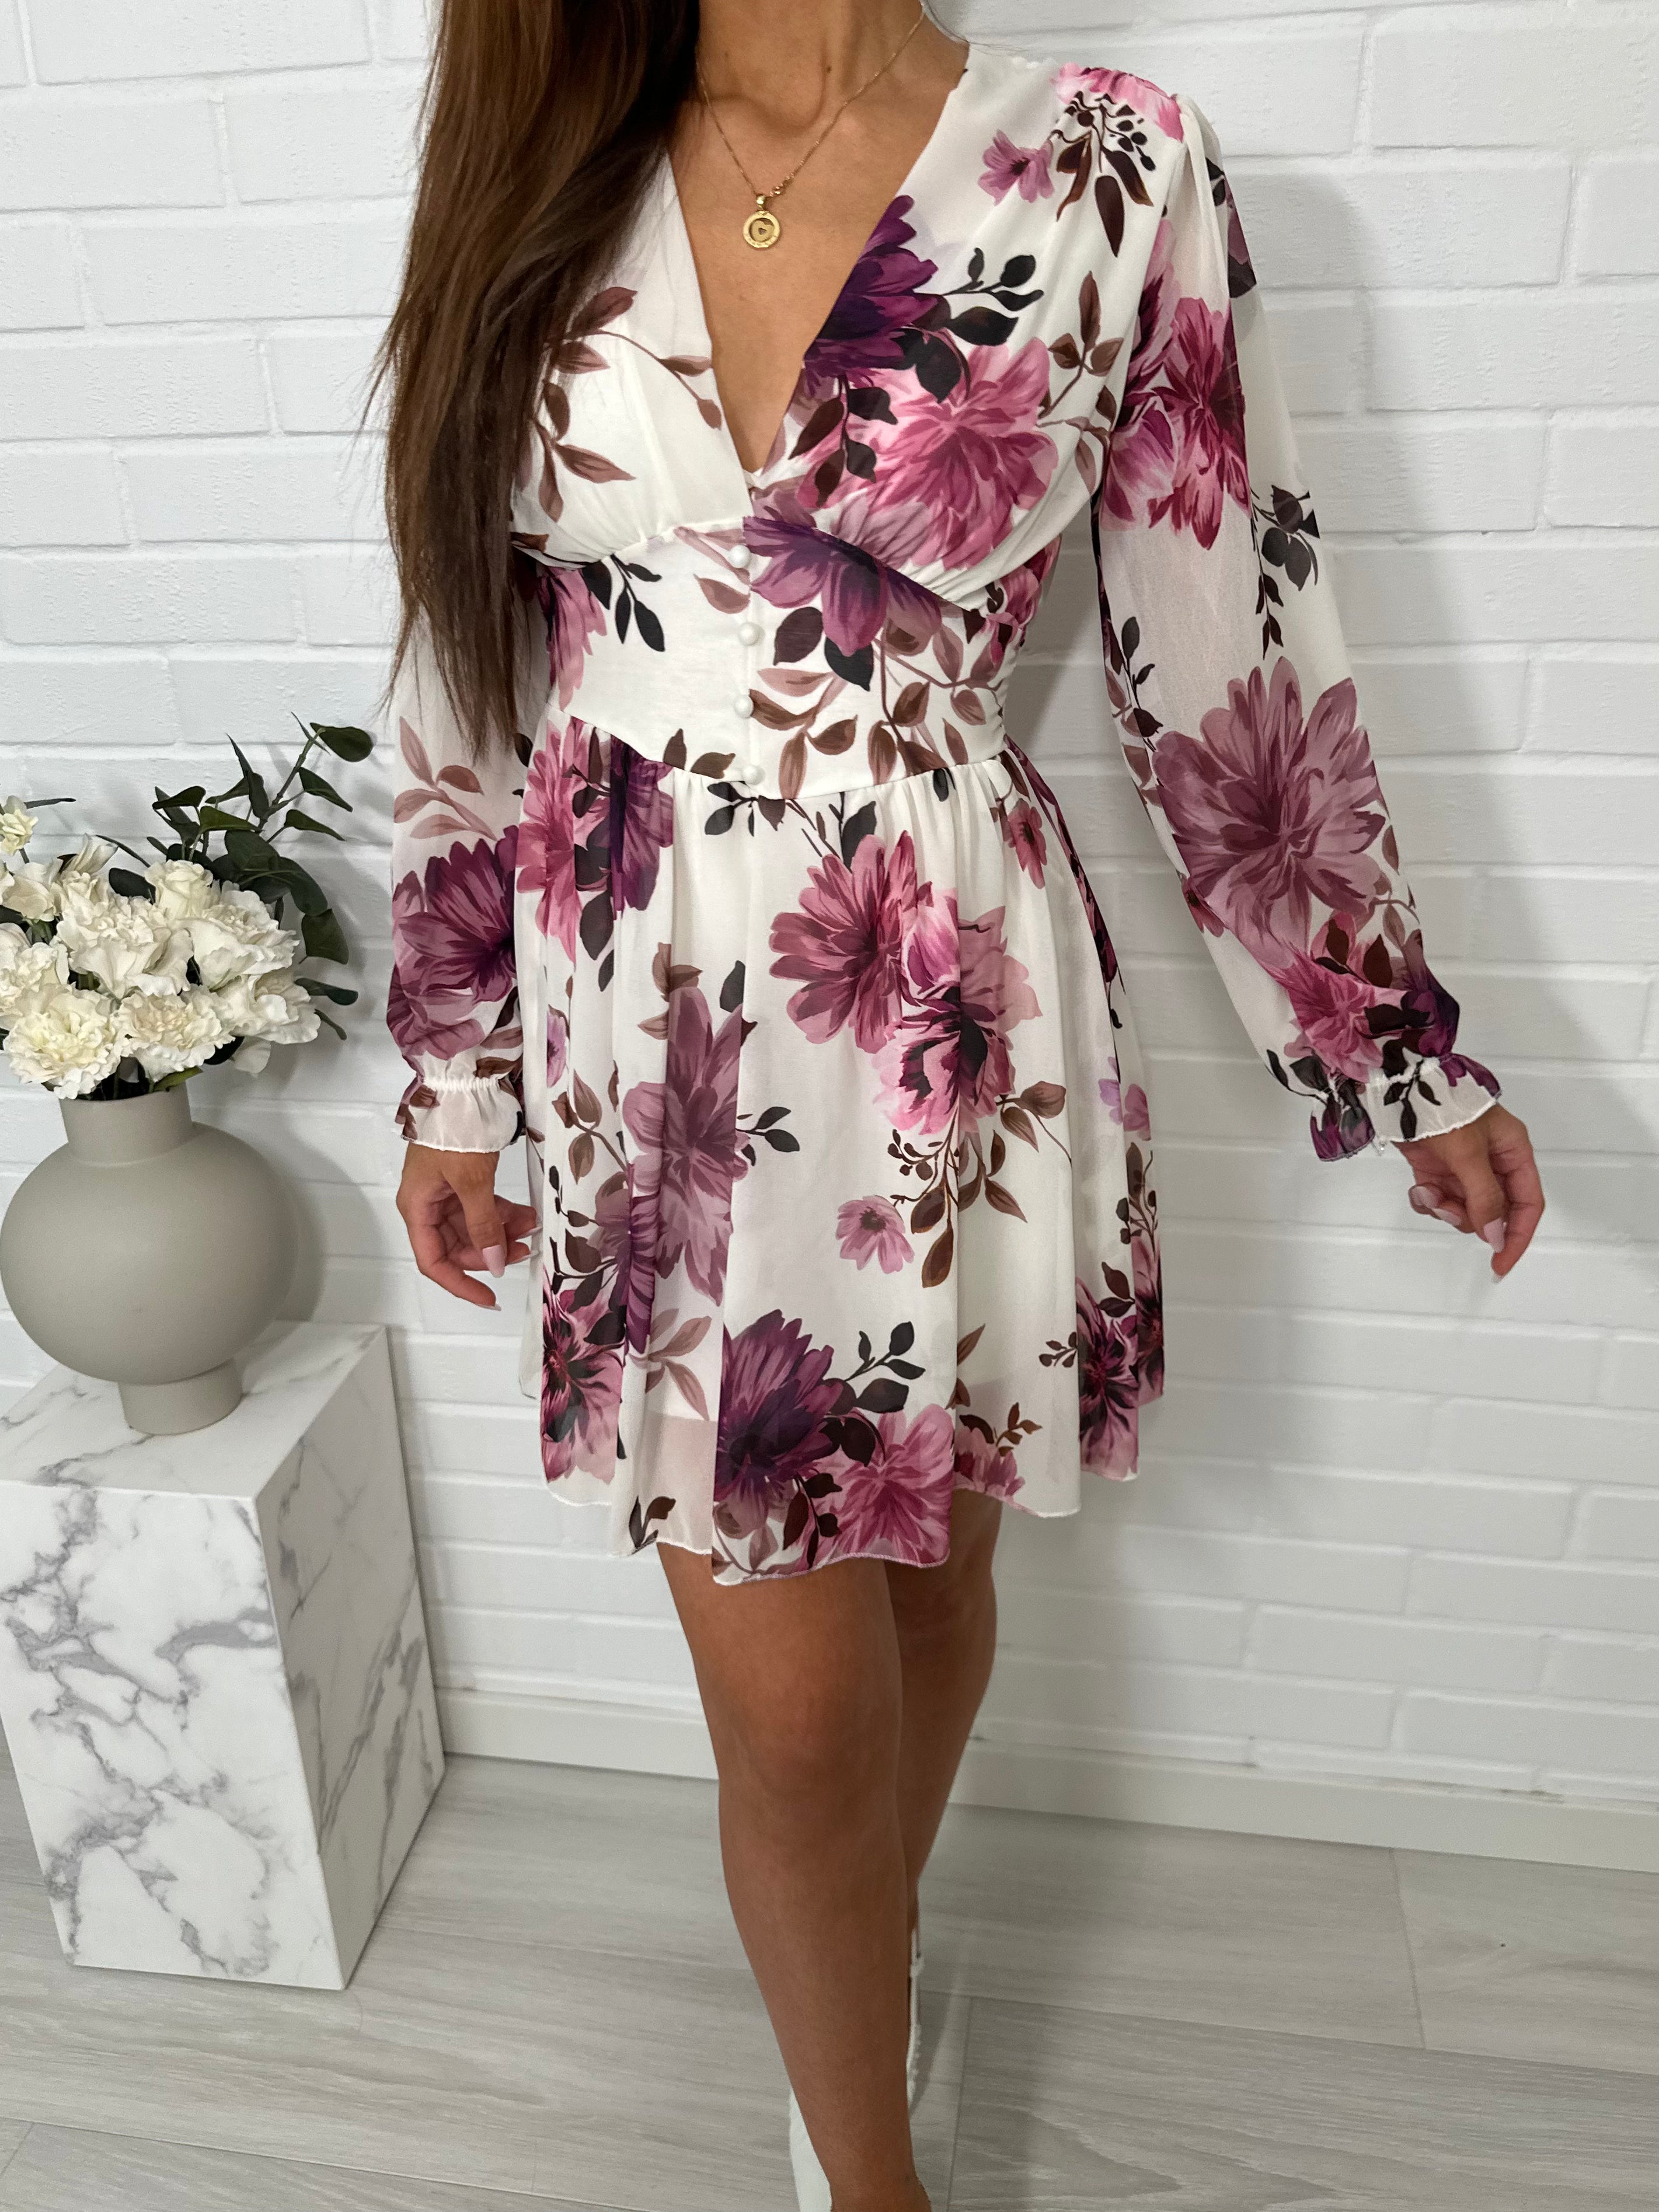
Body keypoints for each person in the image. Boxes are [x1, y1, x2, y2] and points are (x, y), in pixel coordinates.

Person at [374, 6, 1546, 2207]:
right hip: (650, 1031)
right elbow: (464, 642)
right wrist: (455, 1063)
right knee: (797, 1709)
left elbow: (1225, 632)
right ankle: (869, 2178)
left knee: (927, 1576)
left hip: (946, 1007)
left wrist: (1385, 1042)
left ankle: (861, 1980)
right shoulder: (546, 144)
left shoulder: (1108, 163)